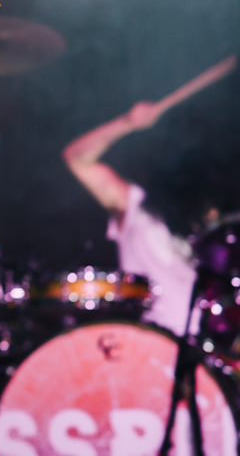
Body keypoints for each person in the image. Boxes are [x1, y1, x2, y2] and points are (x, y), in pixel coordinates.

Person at [62, 55, 236, 337]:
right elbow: (77, 159)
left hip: (204, 352)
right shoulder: (137, 208)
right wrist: (127, 123)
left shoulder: (218, 232)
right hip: (147, 346)